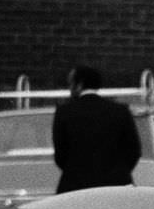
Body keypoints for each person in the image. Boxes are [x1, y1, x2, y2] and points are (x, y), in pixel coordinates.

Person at [51, 65, 141, 193]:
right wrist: (118, 170)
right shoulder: (120, 111)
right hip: (116, 184)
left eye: (70, 83)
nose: (69, 88)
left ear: (79, 84)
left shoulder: (64, 112)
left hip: (75, 185)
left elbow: (60, 153)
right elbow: (134, 150)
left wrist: (75, 169)